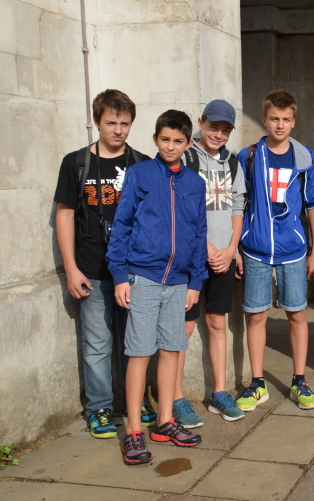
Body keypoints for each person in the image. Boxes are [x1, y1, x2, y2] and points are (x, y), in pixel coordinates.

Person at [53, 89, 156, 439]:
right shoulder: (76, 163)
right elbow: (65, 215)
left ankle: (135, 402)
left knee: (136, 343)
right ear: (97, 121)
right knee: (97, 344)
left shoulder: (142, 164)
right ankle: (99, 407)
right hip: (92, 271)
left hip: (134, 271)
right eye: (111, 122)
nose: (118, 130)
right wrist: (71, 268)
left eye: (125, 123)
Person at [107, 110, 208, 465]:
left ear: (188, 143)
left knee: (172, 349)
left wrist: (196, 281)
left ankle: (165, 421)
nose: (170, 146)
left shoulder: (195, 183)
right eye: (165, 139)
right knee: (139, 352)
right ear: (155, 139)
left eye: (178, 141)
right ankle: (134, 429)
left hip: (179, 281)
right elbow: (122, 225)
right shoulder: (140, 174)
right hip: (143, 277)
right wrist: (120, 276)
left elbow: (199, 234)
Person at [235, 90, 314, 413]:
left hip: (293, 249)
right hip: (256, 249)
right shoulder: (248, 156)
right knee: (256, 315)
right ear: (264, 119)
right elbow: (237, 204)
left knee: (297, 313)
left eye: (286, 119)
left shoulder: (305, 157)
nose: (280, 125)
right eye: (274, 118)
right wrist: (235, 247)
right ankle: (257, 383)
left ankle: (299, 380)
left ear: (294, 121)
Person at [172, 100, 246, 428]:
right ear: (201, 123)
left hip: (223, 257)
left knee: (217, 322)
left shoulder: (233, 163)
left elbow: (238, 206)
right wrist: (208, 248)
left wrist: (231, 249)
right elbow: (181, 206)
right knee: (184, 326)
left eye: (226, 129)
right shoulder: (186, 157)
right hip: (191, 257)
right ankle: (175, 397)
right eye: (214, 127)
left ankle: (219, 392)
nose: (219, 134)